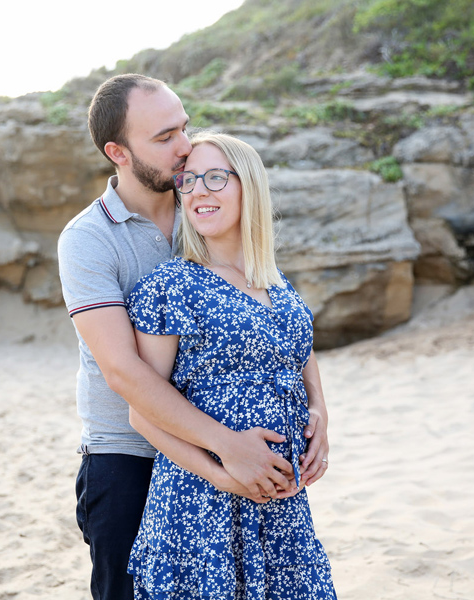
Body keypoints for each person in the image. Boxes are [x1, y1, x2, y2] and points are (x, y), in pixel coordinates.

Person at [58, 75, 330, 600]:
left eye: (183, 127)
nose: (184, 147)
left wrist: (316, 408)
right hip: (128, 456)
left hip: (247, 465)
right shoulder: (89, 239)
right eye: (164, 138)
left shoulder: (203, 208)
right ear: (118, 153)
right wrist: (226, 451)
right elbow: (124, 373)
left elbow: (277, 323)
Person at [124, 132, 336, 599]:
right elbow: (142, 412)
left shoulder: (276, 284)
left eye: (215, 178)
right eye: (189, 180)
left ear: (249, 185)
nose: (198, 191)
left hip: (280, 506)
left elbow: (300, 353)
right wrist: (223, 475)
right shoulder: (171, 286)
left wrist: (319, 411)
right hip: (202, 507)